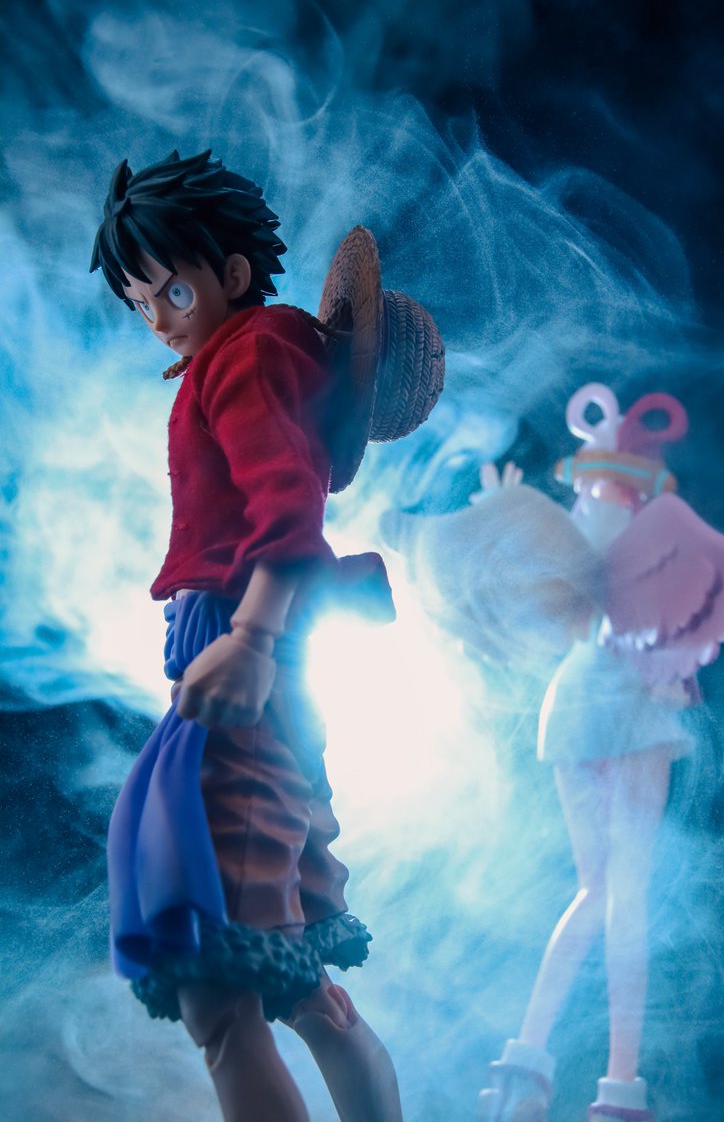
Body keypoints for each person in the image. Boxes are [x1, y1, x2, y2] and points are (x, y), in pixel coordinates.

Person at [90, 148, 443, 1122]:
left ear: (233, 272)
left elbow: (284, 504)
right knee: (300, 991)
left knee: (220, 995)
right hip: (253, 665)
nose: (160, 319)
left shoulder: (247, 355)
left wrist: (248, 637)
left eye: (172, 290)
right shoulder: (256, 355)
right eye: (141, 304)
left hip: (249, 655)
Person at [382, 382, 724, 1122]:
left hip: (573, 703)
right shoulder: (634, 535)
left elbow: (544, 579)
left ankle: (527, 1063)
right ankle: (617, 1085)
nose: (595, 495)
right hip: (623, 706)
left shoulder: (566, 530)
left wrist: (500, 510)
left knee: (597, 890)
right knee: (623, 893)